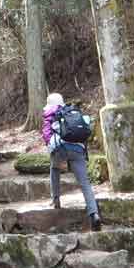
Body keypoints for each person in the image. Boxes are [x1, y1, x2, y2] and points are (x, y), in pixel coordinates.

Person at [41, 92, 101, 231]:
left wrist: (51, 148)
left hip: (60, 148)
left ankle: (56, 200)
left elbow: (46, 134)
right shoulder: (72, 111)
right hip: (78, 149)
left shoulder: (50, 112)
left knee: (54, 169)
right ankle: (94, 214)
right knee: (85, 182)